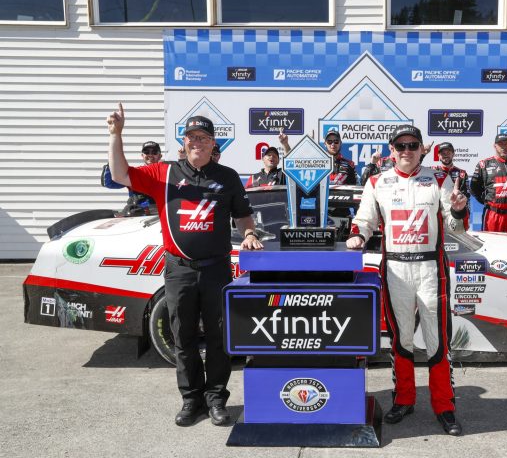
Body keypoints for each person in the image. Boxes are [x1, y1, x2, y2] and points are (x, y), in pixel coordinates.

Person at [106, 104, 263, 427]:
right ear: (184, 141)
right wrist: (116, 135)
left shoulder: (228, 177)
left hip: (216, 268)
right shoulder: (164, 174)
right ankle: (191, 400)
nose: (197, 142)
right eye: (192, 137)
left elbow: (242, 213)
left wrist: (248, 232)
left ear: (212, 144)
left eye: (203, 137)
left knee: (220, 336)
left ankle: (216, 398)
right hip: (179, 269)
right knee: (184, 336)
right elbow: (120, 174)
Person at [346, 124, 468, 436]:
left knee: (436, 340)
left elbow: (454, 227)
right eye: (400, 146)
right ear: (391, 150)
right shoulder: (377, 181)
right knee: (401, 339)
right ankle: (404, 399)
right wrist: (358, 236)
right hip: (396, 269)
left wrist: (457, 210)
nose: (406, 151)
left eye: (413, 145)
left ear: (422, 149)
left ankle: (445, 405)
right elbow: (364, 219)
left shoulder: (439, 178)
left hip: (430, 269)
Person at [101, 140, 161, 216]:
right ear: (142, 155)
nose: (150, 155)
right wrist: (112, 162)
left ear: (160, 156)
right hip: (136, 215)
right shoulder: (135, 173)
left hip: (159, 215)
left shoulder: (167, 172)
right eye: (146, 152)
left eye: (154, 152)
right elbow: (109, 183)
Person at [280, 129, 357, 185]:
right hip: (322, 205)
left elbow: (355, 187)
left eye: (336, 141)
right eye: (329, 142)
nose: (333, 144)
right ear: (325, 144)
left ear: (340, 143)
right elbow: (293, 165)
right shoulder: (317, 162)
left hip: (341, 206)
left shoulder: (349, 164)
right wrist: (285, 144)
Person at [432, 142, 470, 229]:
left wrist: (465, 216)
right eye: (443, 153)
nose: (446, 155)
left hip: (454, 213)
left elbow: (467, 197)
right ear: (438, 155)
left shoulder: (461, 173)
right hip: (436, 213)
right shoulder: (432, 171)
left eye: (448, 153)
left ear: (453, 154)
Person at [360, 141, 434, 185]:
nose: (393, 147)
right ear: (389, 147)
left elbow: (415, 164)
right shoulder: (380, 162)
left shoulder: (407, 162)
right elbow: (363, 182)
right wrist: (372, 163)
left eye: (398, 145)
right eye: (392, 144)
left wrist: (423, 154)